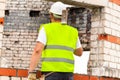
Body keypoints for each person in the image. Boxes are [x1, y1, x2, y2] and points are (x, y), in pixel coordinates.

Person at [27, 1, 83, 80]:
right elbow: (79, 52)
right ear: (64, 15)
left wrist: (31, 72)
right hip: (68, 75)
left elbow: (37, 50)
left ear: (51, 15)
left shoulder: (46, 28)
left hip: (51, 74)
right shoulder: (73, 31)